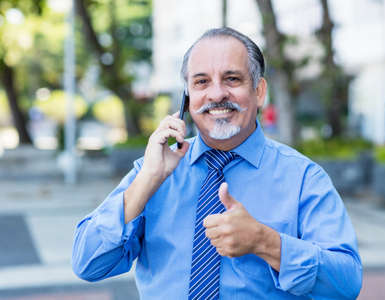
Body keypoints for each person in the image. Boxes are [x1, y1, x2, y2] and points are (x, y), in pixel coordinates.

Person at [72, 27, 362, 299]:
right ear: (187, 97)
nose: (216, 94)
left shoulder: (303, 177)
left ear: (259, 91)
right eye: (201, 82)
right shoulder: (152, 171)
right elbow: (87, 264)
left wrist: (266, 242)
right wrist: (147, 181)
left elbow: (347, 284)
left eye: (232, 79)